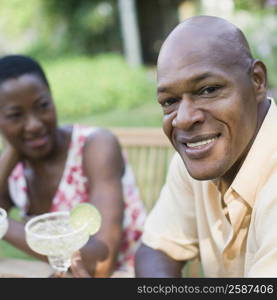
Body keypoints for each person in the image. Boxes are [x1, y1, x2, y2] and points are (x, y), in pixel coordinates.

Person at [135, 15, 277, 277]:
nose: (185, 119)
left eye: (209, 89)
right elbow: (156, 251)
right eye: (169, 102)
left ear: (257, 81)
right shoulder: (198, 158)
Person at [0, 54, 146, 278]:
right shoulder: (15, 172)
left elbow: (100, 264)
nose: (34, 124)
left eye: (42, 106)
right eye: (15, 116)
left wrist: (3, 225)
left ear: (53, 99)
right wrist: (12, 149)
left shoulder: (96, 147)